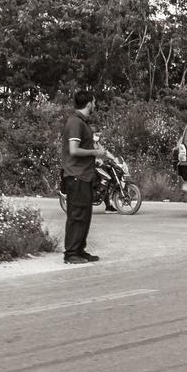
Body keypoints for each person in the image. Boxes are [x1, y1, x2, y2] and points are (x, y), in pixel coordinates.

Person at [60, 91, 103, 264]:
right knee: (77, 215)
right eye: (94, 101)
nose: (95, 105)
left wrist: (97, 150)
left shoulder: (82, 123)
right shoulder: (75, 122)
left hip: (84, 175)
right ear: (89, 104)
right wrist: (96, 152)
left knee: (84, 215)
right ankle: (70, 254)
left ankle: (79, 250)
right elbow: (74, 150)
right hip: (76, 175)